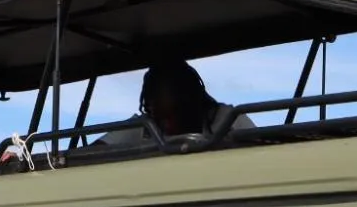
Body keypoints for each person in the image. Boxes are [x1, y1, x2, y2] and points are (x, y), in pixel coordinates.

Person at [97, 60, 251, 148]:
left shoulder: (228, 118)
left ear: (192, 101)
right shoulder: (144, 126)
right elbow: (90, 153)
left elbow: (266, 146)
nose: (167, 126)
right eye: (160, 118)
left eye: (175, 114)